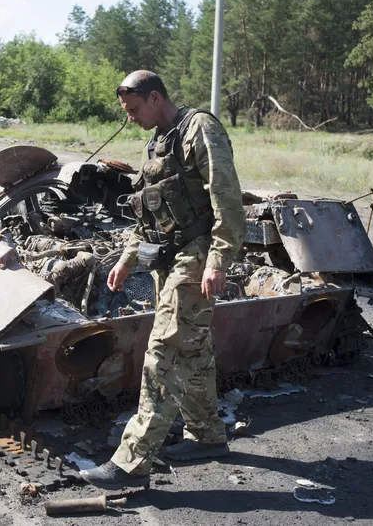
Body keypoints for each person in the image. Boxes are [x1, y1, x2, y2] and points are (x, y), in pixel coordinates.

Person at [79, 70, 246, 490]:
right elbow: (148, 215)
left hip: (197, 255)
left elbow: (227, 198)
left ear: (155, 98)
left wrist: (218, 259)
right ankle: (207, 435)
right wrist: (126, 259)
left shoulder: (199, 129)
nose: (130, 118)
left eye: (134, 109)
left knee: (164, 352)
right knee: (193, 349)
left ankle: (131, 463)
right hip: (167, 259)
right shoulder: (156, 143)